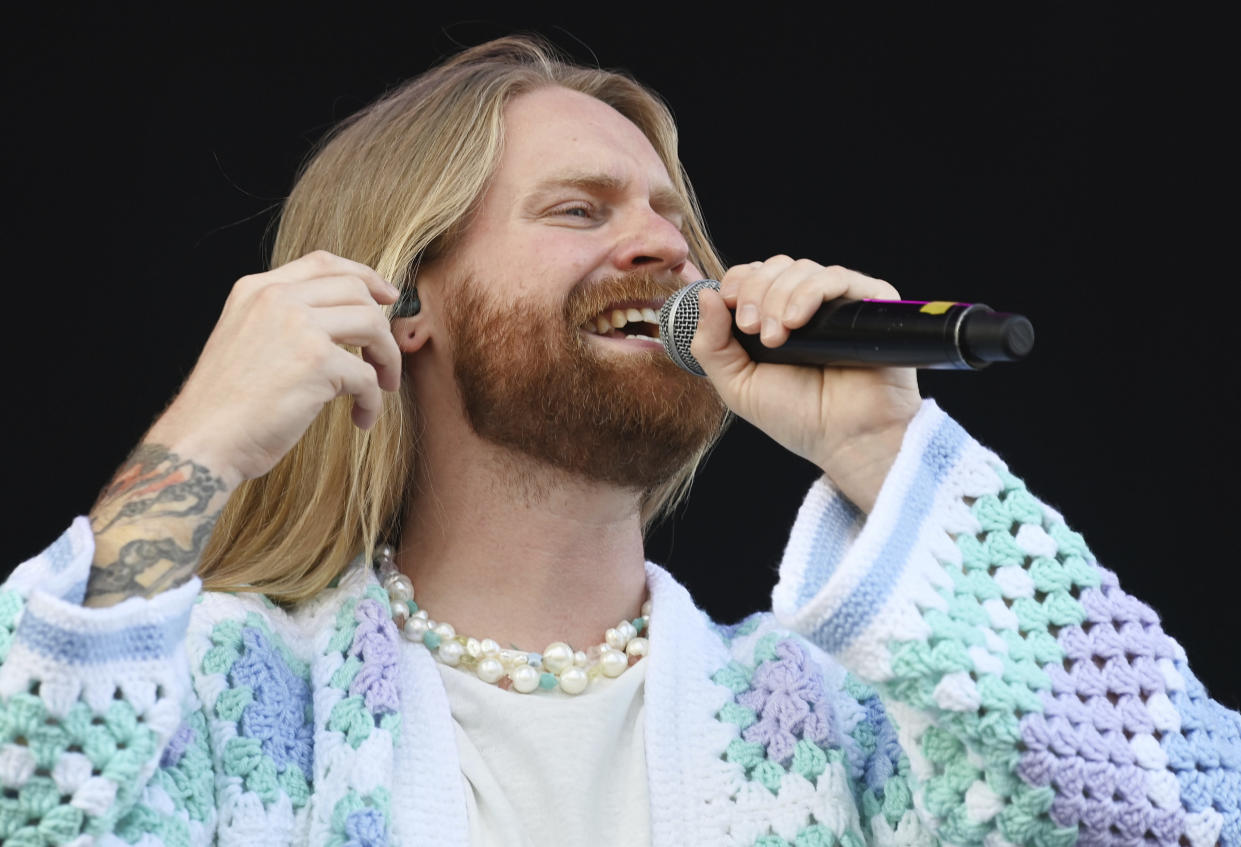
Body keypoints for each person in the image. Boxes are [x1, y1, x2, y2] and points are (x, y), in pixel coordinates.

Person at [0, 34, 1237, 847]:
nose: (660, 247)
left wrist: (882, 452)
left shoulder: (837, 717)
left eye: (669, 216)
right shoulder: (234, 695)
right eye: (578, 210)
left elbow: (1184, 809)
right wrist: (204, 444)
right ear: (399, 299)